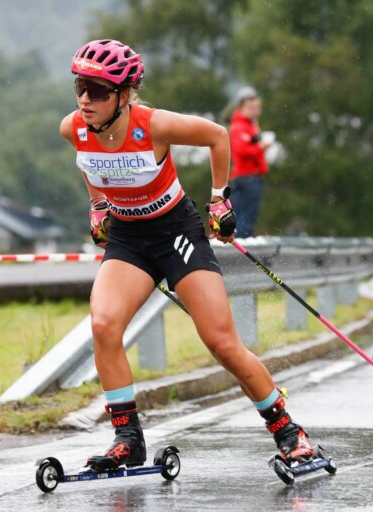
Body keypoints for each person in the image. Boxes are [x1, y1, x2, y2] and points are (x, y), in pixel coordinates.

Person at [60, 39, 316, 472]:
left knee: (220, 341)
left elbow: (218, 137)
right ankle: (128, 439)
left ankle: (290, 434)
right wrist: (99, 205)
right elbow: (91, 165)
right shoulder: (73, 128)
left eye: (98, 90)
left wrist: (220, 200)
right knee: (104, 325)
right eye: (81, 87)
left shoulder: (154, 125)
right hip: (127, 237)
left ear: (123, 95)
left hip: (175, 231)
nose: (86, 99)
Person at [228, 86, 273, 238]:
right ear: (241, 107)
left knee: (244, 212)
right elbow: (241, 150)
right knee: (245, 214)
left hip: (249, 175)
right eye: (252, 108)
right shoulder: (240, 127)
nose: (256, 111)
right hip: (247, 176)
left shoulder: (249, 125)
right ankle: (242, 242)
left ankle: (241, 240)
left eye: (257, 108)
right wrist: (261, 147)